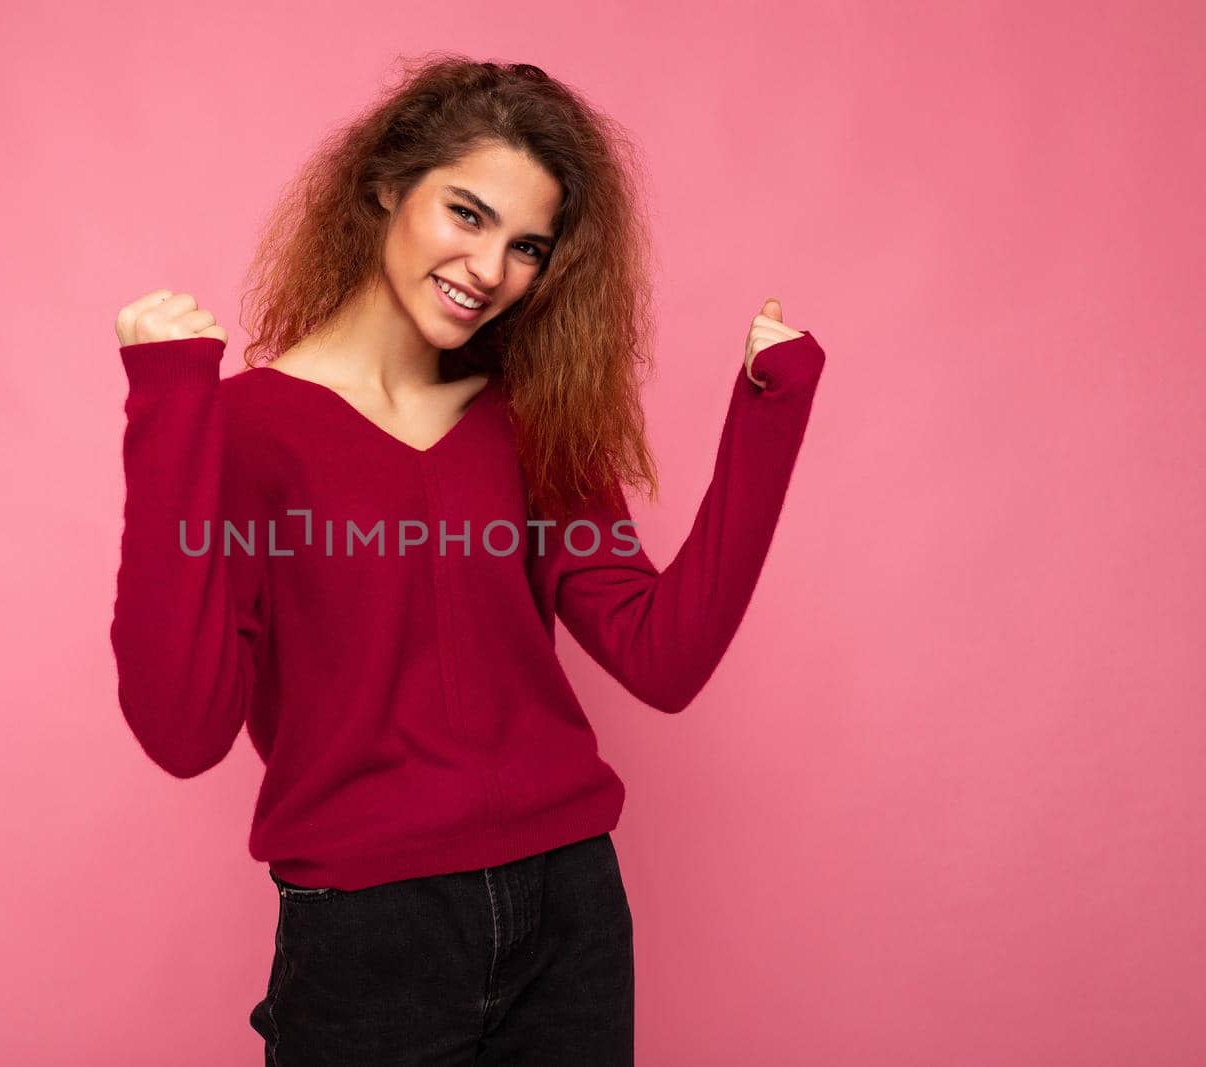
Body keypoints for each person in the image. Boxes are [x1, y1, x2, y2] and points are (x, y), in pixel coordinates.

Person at [109, 53, 826, 1065]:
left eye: (527, 244)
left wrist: (769, 411)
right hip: (368, 935)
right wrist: (169, 408)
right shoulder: (240, 429)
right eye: (466, 213)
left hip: (571, 906)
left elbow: (661, 653)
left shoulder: (530, 422)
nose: (490, 268)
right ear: (388, 186)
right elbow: (182, 726)